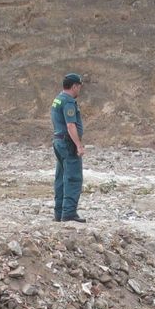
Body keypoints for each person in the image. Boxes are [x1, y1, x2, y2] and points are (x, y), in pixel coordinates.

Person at [51, 73, 86, 222]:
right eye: (79, 87)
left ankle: (59, 213)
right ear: (74, 86)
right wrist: (78, 145)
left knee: (61, 178)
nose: (79, 90)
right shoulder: (68, 102)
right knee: (73, 178)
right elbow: (70, 125)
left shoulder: (58, 99)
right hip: (67, 143)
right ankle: (69, 213)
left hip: (58, 141)